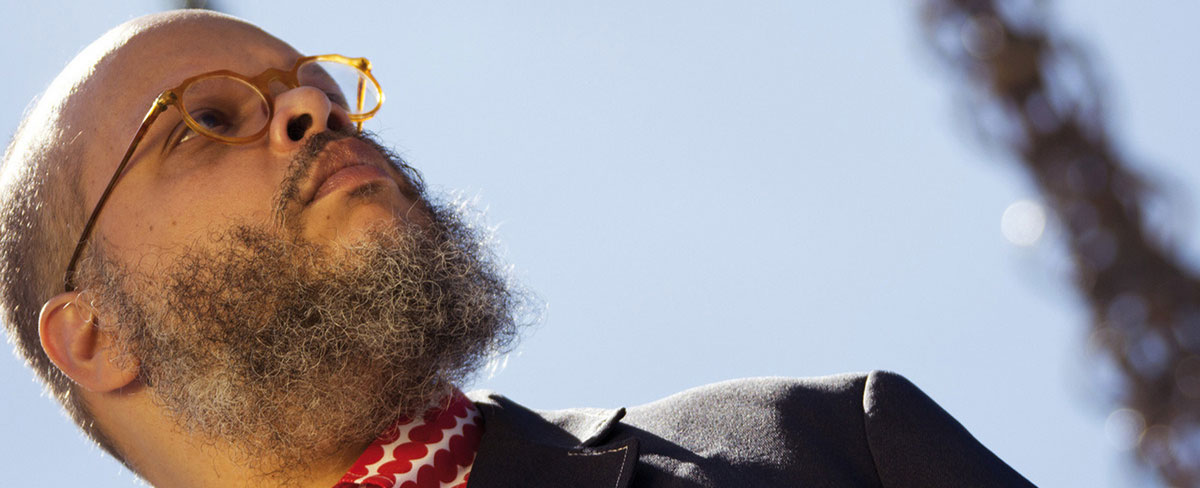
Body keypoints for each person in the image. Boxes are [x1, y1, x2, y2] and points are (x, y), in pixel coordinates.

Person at [0, 10, 1033, 488]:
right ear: (93, 335)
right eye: (207, 119)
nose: (313, 111)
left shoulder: (824, 449)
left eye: (322, 90)